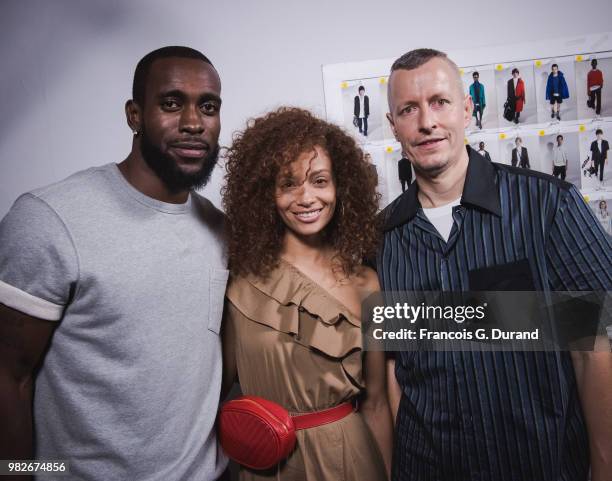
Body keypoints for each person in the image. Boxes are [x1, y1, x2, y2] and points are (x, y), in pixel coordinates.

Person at [382, 48, 612, 481]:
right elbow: (395, 371)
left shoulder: (548, 207)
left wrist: (604, 467)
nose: (427, 121)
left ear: (467, 108)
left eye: (440, 102)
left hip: (542, 467)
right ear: (393, 126)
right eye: (409, 109)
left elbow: (594, 350)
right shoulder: (380, 238)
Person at [0, 46, 228, 481]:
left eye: (209, 107)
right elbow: (7, 375)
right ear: (134, 115)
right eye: (171, 103)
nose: (194, 123)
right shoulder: (49, 218)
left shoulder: (220, 230)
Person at [221, 107, 391, 481]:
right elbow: (209, 396)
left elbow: (377, 403)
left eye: (319, 180)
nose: (306, 197)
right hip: (269, 464)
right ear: (266, 194)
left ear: (340, 187)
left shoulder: (366, 282)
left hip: (353, 459)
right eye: (288, 183)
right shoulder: (237, 283)